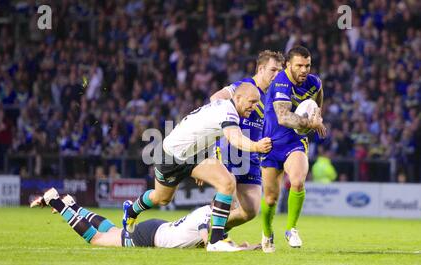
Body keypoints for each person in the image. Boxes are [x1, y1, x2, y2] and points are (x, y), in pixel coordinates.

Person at [123, 83, 272, 252]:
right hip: (171, 155)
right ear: (237, 98)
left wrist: (208, 161)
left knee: (227, 182)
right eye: (251, 102)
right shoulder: (228, 111)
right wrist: (257, 146)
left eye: (257, 103)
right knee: (161, 198)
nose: (254, 107)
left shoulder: (224, 108)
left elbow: (207, 133)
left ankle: (216, 241)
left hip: (194, 155)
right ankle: (131, 210)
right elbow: (235, 138)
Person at [30, 188, 257, 250]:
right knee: (97, 239)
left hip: (158, 229)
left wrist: (244, 246)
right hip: (151, 236)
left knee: (111, 232)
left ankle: (72, 204)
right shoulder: (206, 216)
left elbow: (215, 242)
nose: (233, 209)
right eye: (231, 205)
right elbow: (209, 244)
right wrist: (241, 250)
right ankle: (56, 202)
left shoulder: (211, 216)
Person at [209, 51, 284, 234]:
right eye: (273, 70)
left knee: (250, 210)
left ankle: (211, 229)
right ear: (261, 68)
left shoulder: (273, 95)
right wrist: (227, 128)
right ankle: (214, 237)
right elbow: (216, 99)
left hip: (251, 155)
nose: (276, 75)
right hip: (230, 149)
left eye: (279, 71)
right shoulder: (244, 86)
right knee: (229, 195)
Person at [261, 46, 327, 251]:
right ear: (288, 65)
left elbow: (318, 102)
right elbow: (283, 117)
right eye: (299, 65)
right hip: (271, 143)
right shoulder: (281, 81)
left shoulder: (314, 82)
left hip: (294, 142)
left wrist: (317, 116)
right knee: (271, 198)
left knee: (297, 181)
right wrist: (310, 124)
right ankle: (266, 232)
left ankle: (291, 228)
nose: (304, 70)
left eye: (307, 65)